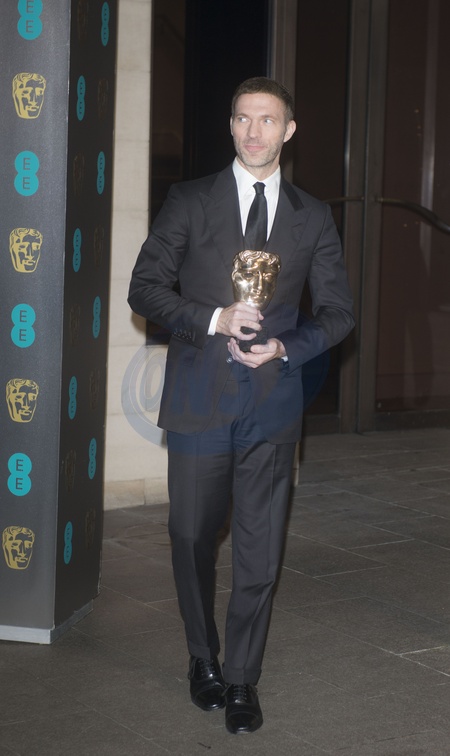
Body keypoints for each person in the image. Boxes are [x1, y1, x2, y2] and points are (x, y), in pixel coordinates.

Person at [128, 76, 354, 734]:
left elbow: (339, 313)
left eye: (268, 120)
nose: (255, 131)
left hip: (272, 403)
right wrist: (212, 317)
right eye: (243, 119)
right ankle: (202, 656)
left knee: (260, 551)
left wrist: (286, 347)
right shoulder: (190, 200)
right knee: (190, 534)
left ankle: (241, 678)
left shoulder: (313, 216)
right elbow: (145, 287)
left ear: (289, 130)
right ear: (231, 126)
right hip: (199, 397)